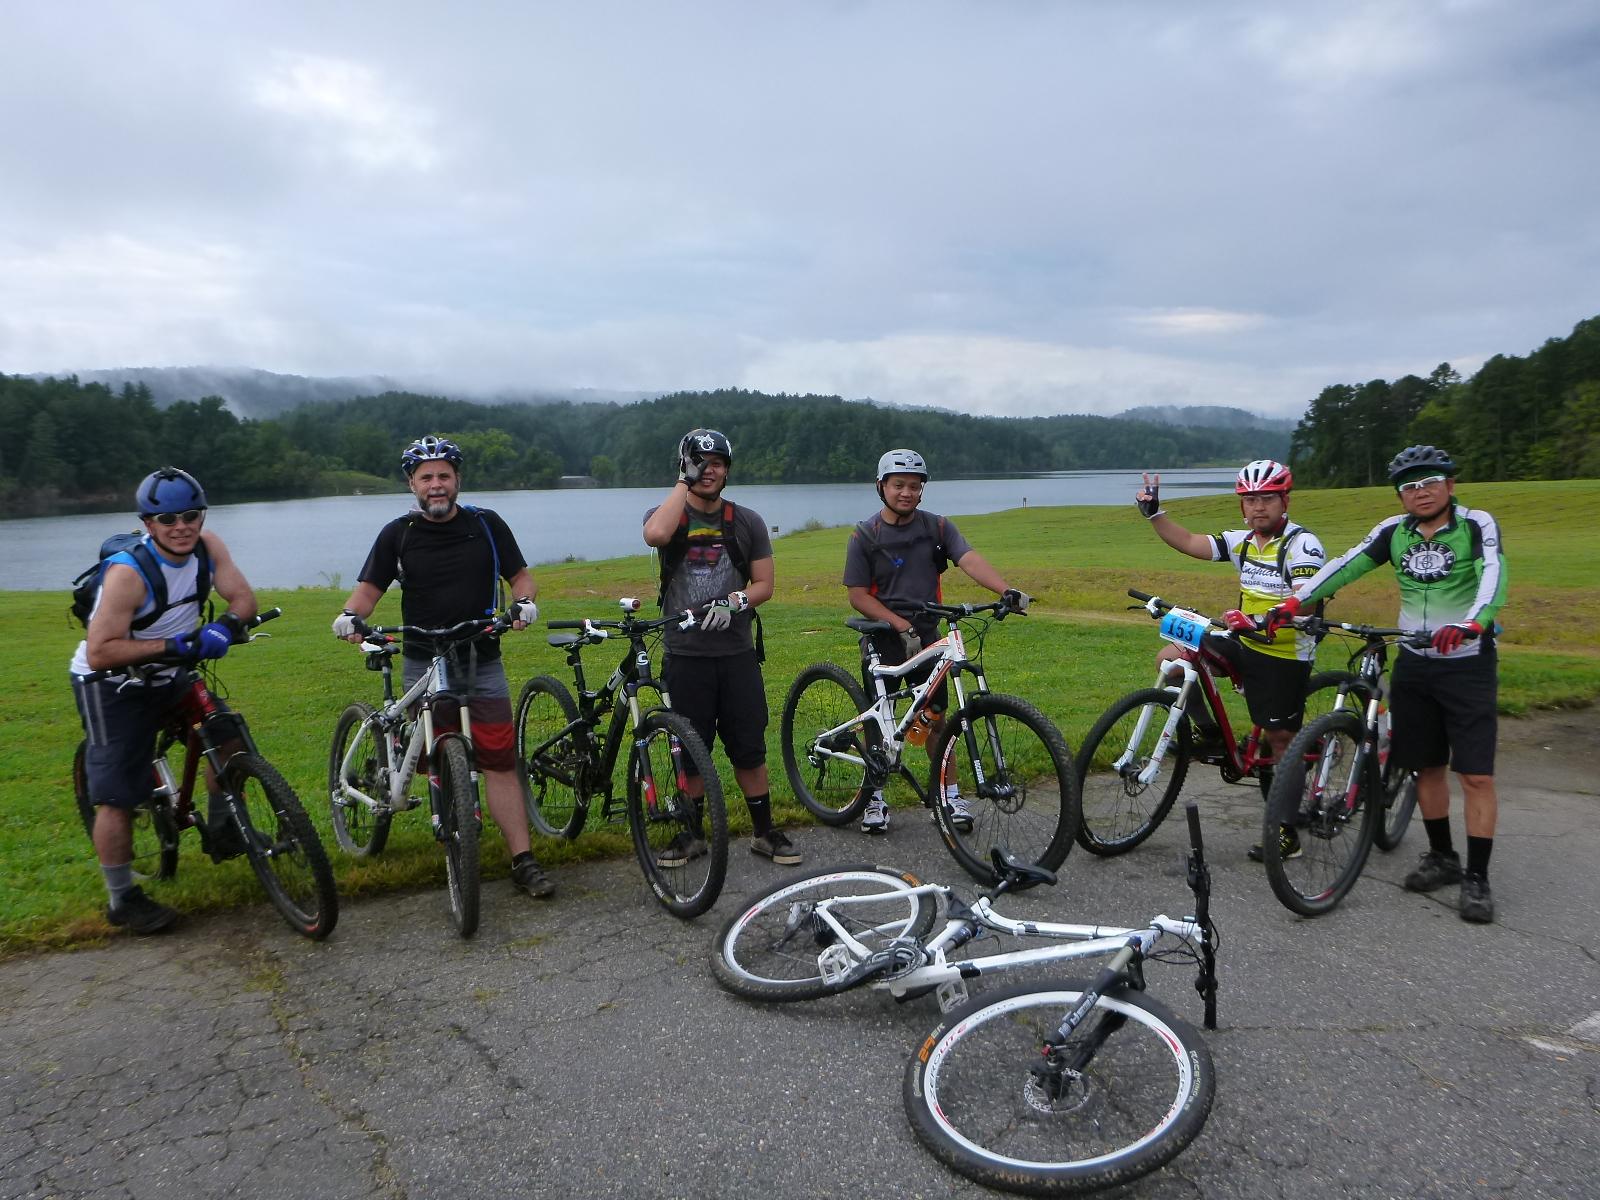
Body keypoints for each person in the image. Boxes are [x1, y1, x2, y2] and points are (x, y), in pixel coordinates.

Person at [1266, 445, 1507, 923]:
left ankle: (1477, 878)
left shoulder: (1476, 525)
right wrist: (1294, 604)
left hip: (1466, 662)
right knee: (1427, 767)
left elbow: (1493, 575)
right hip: (1416, 661)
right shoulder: (1393, 532)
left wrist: (1476, 622)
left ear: (1450, 485)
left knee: (1475, 774)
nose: (1421, 492)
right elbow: (1347, 564)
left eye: (1430, 482)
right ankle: (1443, 858)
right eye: (1410, 486)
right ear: (1400, 495)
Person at [332, 436, 554, 899]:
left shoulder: (486, 525)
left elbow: (520, 577)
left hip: (481, 656)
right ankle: (452, 829)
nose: (436, 485)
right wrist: (352, 616)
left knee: (498, 761)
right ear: (412, 484)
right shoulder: (399, 534)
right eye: (426, 477)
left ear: (457, 480)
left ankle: (523, 860)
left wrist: (524, 603)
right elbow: (369, 591)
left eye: (444, 476)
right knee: (435, 753)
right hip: (423, 658)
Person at [70, 467, 259, 934]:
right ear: (148, 524)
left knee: (229, 737)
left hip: (173, 672)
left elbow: (243, 599)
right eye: (168, 518)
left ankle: (223, 830)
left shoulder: (208, 548)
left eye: (190, 515)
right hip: (111, 683)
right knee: (117, 794)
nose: (181, 526)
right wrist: (175, 646)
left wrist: (224, 626)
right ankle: (122, 898)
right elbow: (101, 651)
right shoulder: (128, 575)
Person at [1135, 461, 1327, 862]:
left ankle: (1287, 832)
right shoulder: (1243, 541)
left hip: (1285, 651)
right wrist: (1156, 515)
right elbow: (1190, 541)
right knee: (1172, 662)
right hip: (1243, 640)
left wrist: (1258, 619)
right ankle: (1211, 734)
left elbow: (1305, 598)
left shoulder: (1301, 544)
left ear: (1284, 501)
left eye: (1267, 499)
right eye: (1250, 500)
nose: (1258, 507)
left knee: (1279, 742)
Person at [844, 448, 1030, 835]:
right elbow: (858, 595)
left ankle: (949, 795)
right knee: (881, 721)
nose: (907, 493)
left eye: (914, 486)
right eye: (899, 485)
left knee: (938, 721)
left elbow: (968, 559)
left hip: (928, 636)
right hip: (883, 637)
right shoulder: (865, 535)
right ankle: (874, 798)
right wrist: (898, 625)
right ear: (881, 487)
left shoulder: (937, 528)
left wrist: (1006, 589)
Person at [643, 428, 796, 865]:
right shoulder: (668, 514)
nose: (708, 471)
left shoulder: (746, 521)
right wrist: (682, 482)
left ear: (728, 470)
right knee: (691, 747)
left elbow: (764, 583)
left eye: (716, 464)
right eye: (698, 462)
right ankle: (690, 834)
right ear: (683, 466)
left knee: (748, 743)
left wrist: (737, 600)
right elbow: (655, 535)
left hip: (735, 652)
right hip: (685, 654)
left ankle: (765, 832)